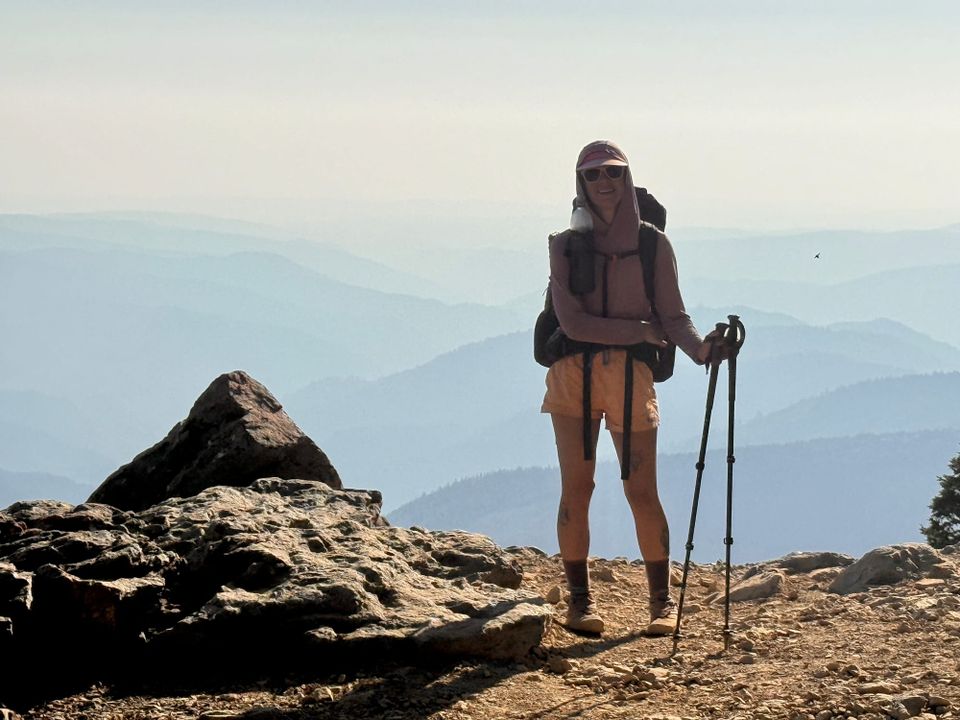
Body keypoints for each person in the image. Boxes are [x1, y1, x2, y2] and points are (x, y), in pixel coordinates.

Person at [540, 139, 723, 636]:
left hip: (627, 378)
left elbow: (673, 314)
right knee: (578, 487)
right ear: (581, 182)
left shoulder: (652, 244)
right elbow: (573, 323)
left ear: (627, 177)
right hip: (575, 376)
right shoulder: (564, 244)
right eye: (595, 174)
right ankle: (579, 604)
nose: (605, 182)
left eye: (614, 173)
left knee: (642, 490)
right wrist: (638, 333)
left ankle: (660, 606)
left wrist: (702, 351)